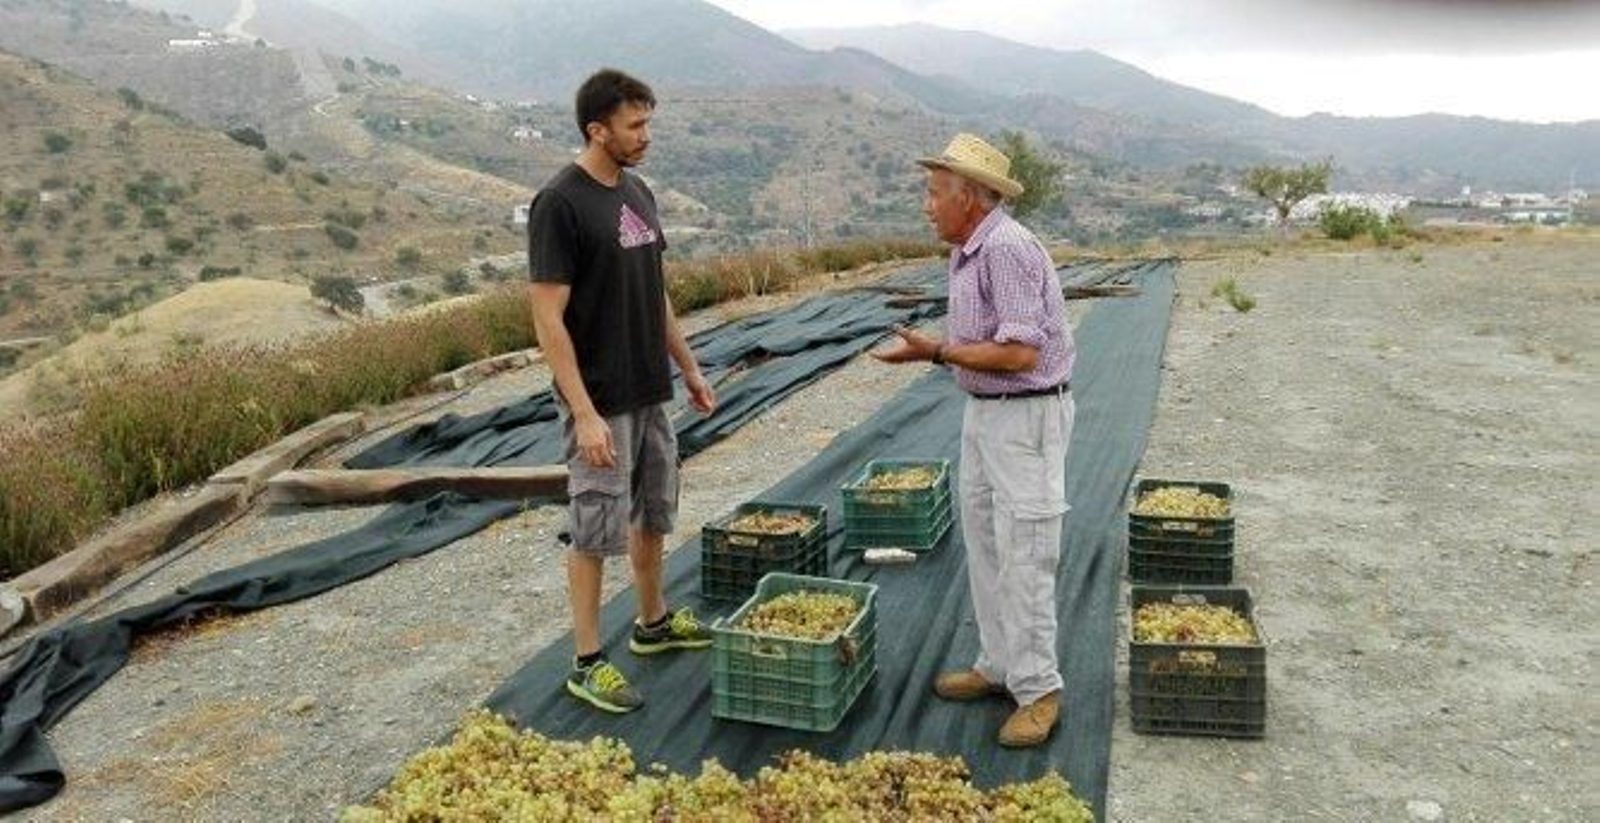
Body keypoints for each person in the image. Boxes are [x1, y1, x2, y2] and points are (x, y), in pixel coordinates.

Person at [872, 133, 1075, 748]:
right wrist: (945, 354)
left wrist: (933, 351)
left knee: (1027, 549)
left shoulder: (1008, 249)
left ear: (971, 199)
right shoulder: (967, 251)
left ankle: (1039, 690)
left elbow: (1018, 353)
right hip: (987, 412)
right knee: (985, 541)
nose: (927, 205)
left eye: (935, 194)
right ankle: (999, 666)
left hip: (1025, 415)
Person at [527, 68, 717, 714]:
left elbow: (654, 289)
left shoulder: (637, 192)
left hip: (648, 384)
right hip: (600, 397)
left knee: (653, 510)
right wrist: (582, 412)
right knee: (594, 525)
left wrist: (688, 367)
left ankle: (652, 622)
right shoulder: (561, 203)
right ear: (596, 129)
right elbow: (547, 317)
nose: (646, 135)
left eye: (648, 122)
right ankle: (586, 659)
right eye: (634, 125)